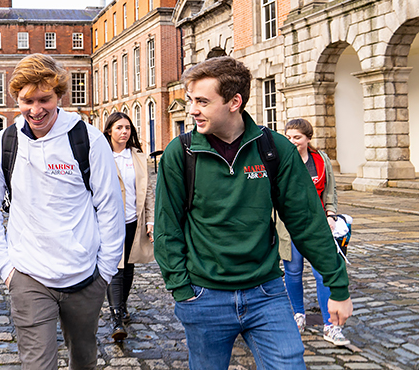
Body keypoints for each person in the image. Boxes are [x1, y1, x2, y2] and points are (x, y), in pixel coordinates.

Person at [154, 56, 352, 369]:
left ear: (235, 102)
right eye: (191, 100)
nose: (192, 110)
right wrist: (182, 290)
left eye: (203, 101)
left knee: (289, 364)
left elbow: (308, 222)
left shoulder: (274, 149)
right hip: (204, 297)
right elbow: (167, 228)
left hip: (267, 293)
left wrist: (338, 285)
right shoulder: (181, 153)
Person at [0, 53, 125, 370]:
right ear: (17, 98)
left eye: (44, 99)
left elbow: (110, 207)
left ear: (60, 96)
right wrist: (6, 269)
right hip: (28, 277)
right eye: (27, 100)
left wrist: (106, 271)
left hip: (84, 277)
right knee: (37, 364)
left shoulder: (88, 140)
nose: (35, 109)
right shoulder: (5, 142)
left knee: (83, 359)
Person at [280, 118, 349, 346]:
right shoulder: (282, 161)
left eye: (297, 137)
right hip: (289, 228)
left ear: (308, 138)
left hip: (317, 228)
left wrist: (330, 215)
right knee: (293, 271)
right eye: (288, 137)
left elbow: (330, 192)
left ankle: (331, 325)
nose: (292, 142)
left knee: (323, 274)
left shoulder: (321, 160)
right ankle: (298, 314)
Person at [102, 112, 154, 342]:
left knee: (130, 266)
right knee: (115, 267)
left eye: (127, 128)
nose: (124, 132)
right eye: (119, 128)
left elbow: (148, 191)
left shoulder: (138, 157)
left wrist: (150, 221)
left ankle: (122, 306)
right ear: (109, 131)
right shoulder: (101, 156)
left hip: (134, 219)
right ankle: (116, 318)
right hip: (110, 222)